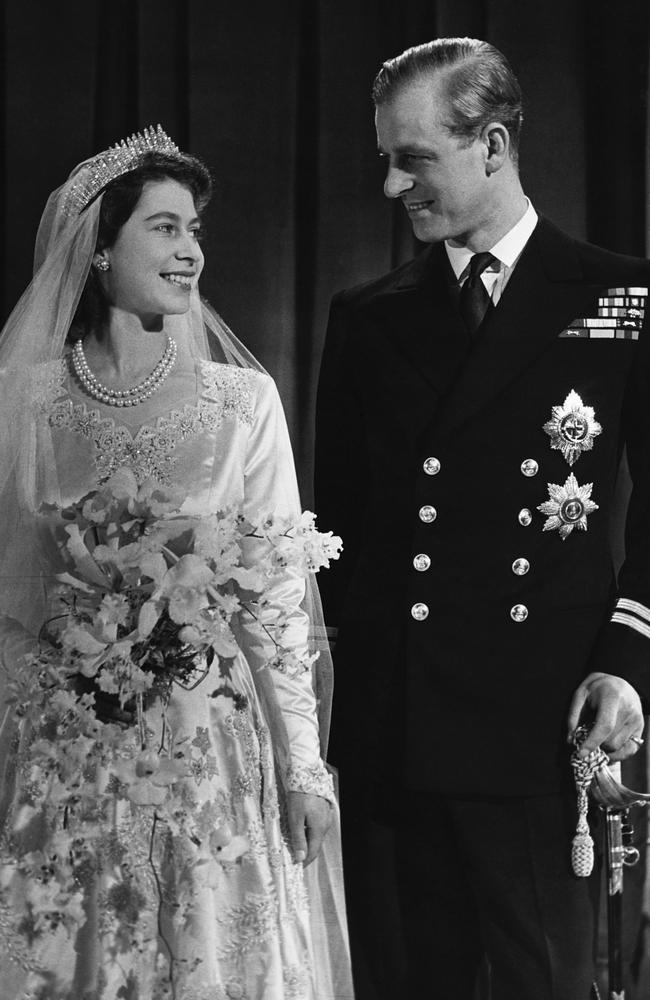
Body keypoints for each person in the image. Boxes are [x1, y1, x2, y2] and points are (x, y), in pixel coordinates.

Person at [315, 37, 650, 1000]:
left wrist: (629, 665)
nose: (390, 185)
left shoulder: (621, 297)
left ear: (493, 145)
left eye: (412, 158)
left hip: (538, 726)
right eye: (386, 157)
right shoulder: (368, 316)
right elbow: (337, 534)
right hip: (396, 732)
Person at [0, 127, 352, 1000]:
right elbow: (9, 596)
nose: (191, 249)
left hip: (210, 750)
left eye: (193, 228)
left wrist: (304, 770)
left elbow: (276, 602)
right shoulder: (29, 401)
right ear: (98, 249)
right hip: (69, 754)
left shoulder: (244, 403)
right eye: (163, 227)